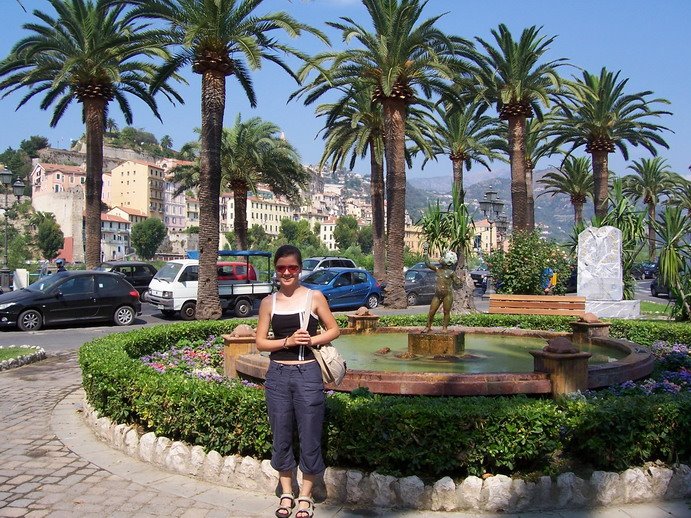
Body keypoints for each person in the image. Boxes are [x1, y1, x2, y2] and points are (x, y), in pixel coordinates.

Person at [256, 244, 340, 518]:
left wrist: (311, 340)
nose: (287, 272)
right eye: (281, 268)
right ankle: (286, 492)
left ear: (300, 269)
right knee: (280, 433)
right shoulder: (270, 302)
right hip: (278, 374)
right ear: (276, 271)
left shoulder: (314, 297)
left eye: (292, 267)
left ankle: (305, 495)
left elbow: (334, 329)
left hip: (308, 373)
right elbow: (260, 342)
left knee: (310, 433)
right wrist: (287, 342)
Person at [423, 250, 462, 333]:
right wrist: (426, 252)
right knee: (432, 311)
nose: (441, 259)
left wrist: (460, 280)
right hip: (437, 295)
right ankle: (428, 326)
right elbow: (427, 264)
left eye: (443, 258)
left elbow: (458, 284)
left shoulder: (451, 273)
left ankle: (445, 328)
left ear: (448, 262)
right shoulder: (438, 270)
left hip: (447, 295)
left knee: (446, 312)